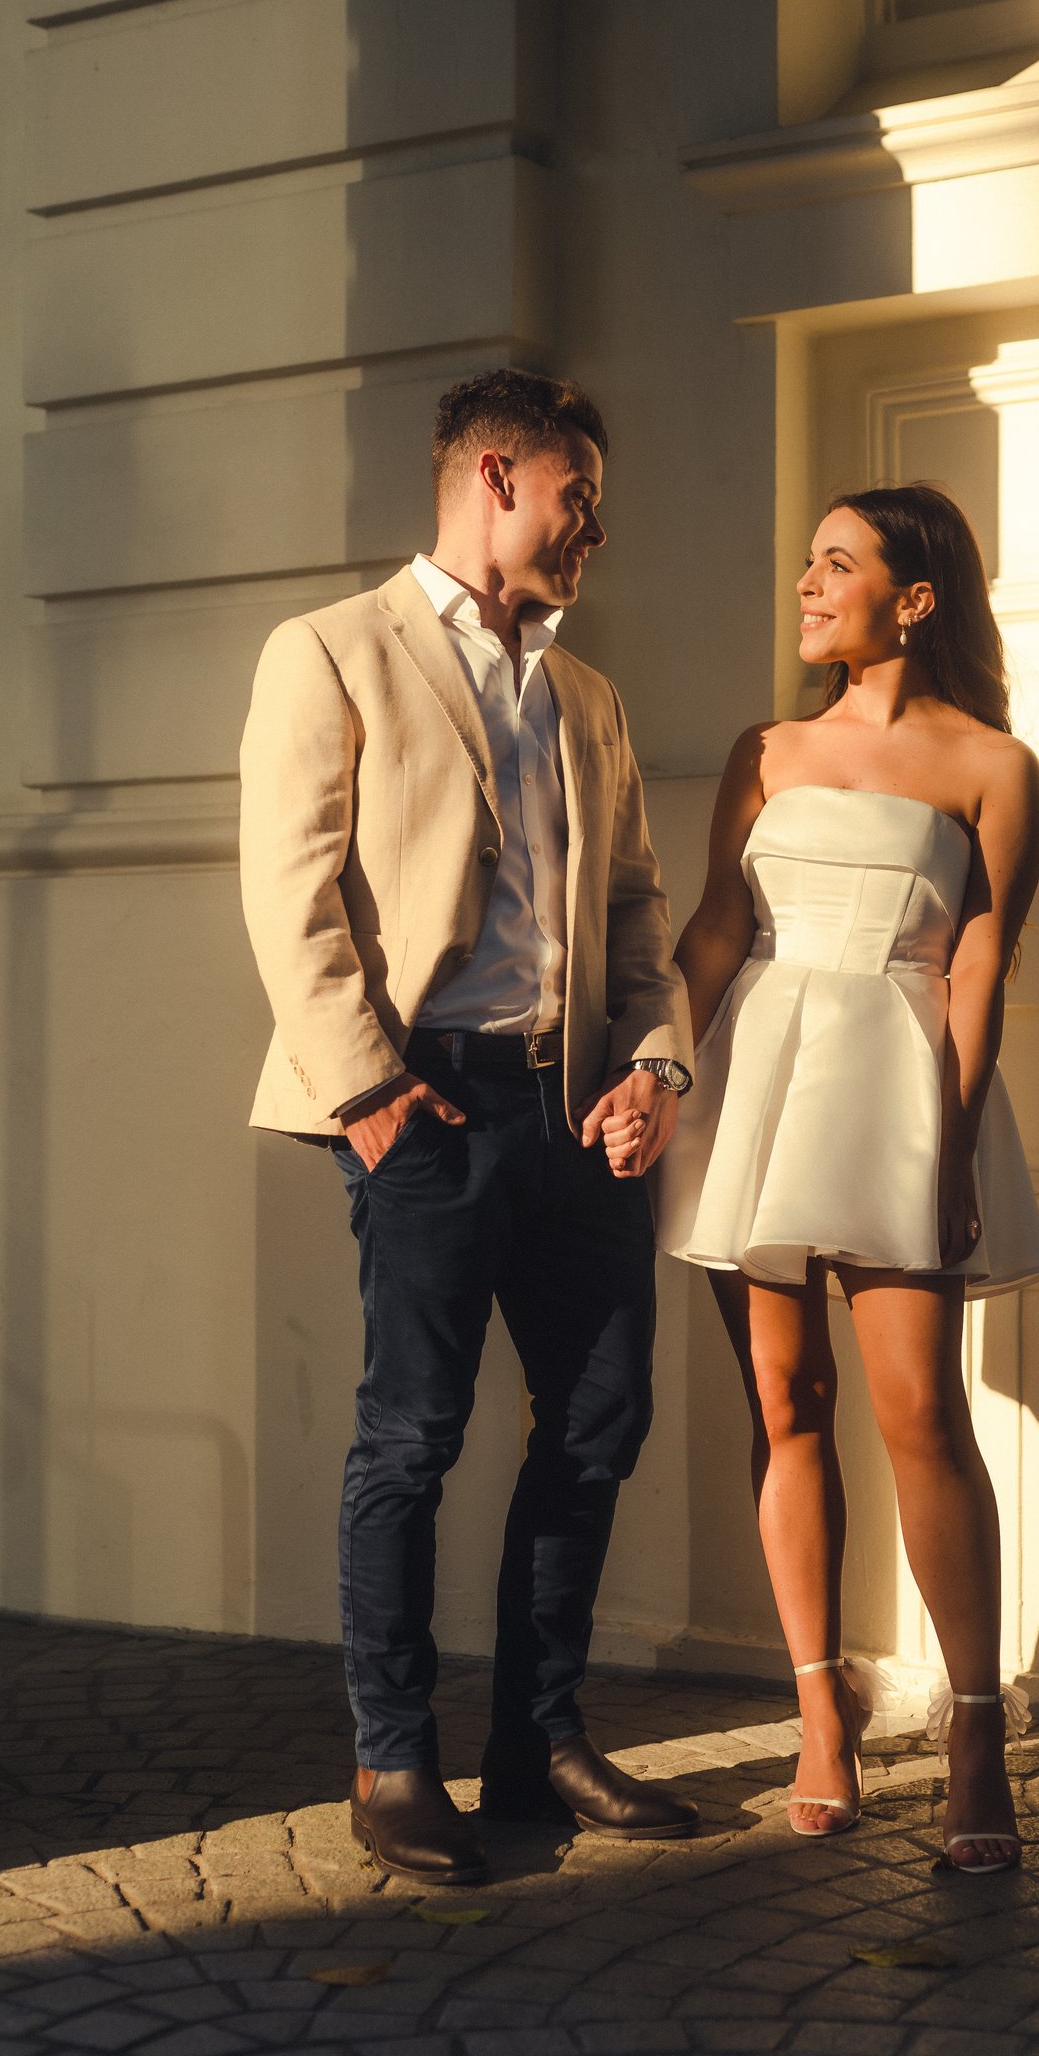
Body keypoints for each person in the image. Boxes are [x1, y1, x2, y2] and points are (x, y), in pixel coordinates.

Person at [239, 369, 698, 1887]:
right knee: (414, 1438)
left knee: (594, 1422)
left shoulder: (590, 698)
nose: (599, 532)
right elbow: (291, 898)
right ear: (496, 476)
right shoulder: (331, 653)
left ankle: (539, 1742)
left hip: (576, 1110)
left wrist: (654, 1071)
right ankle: (391, 1760)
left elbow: (635, 916)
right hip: (420, 1099)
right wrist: (370, 1098)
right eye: (582, 499)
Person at [638, 482, 1039, 1874]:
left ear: (914, 597)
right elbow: (713, 929)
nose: (807, 586)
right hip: (755, 1081)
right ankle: (822, 1710)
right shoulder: (765, 749)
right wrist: (664, 1074)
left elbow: (984, 964)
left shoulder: (994, 766)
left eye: (837, 564)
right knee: (783, 1398)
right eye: (807, 563)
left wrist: (948, 1134)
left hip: (896, 1088)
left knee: (919, 1410)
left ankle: (977, 1728)